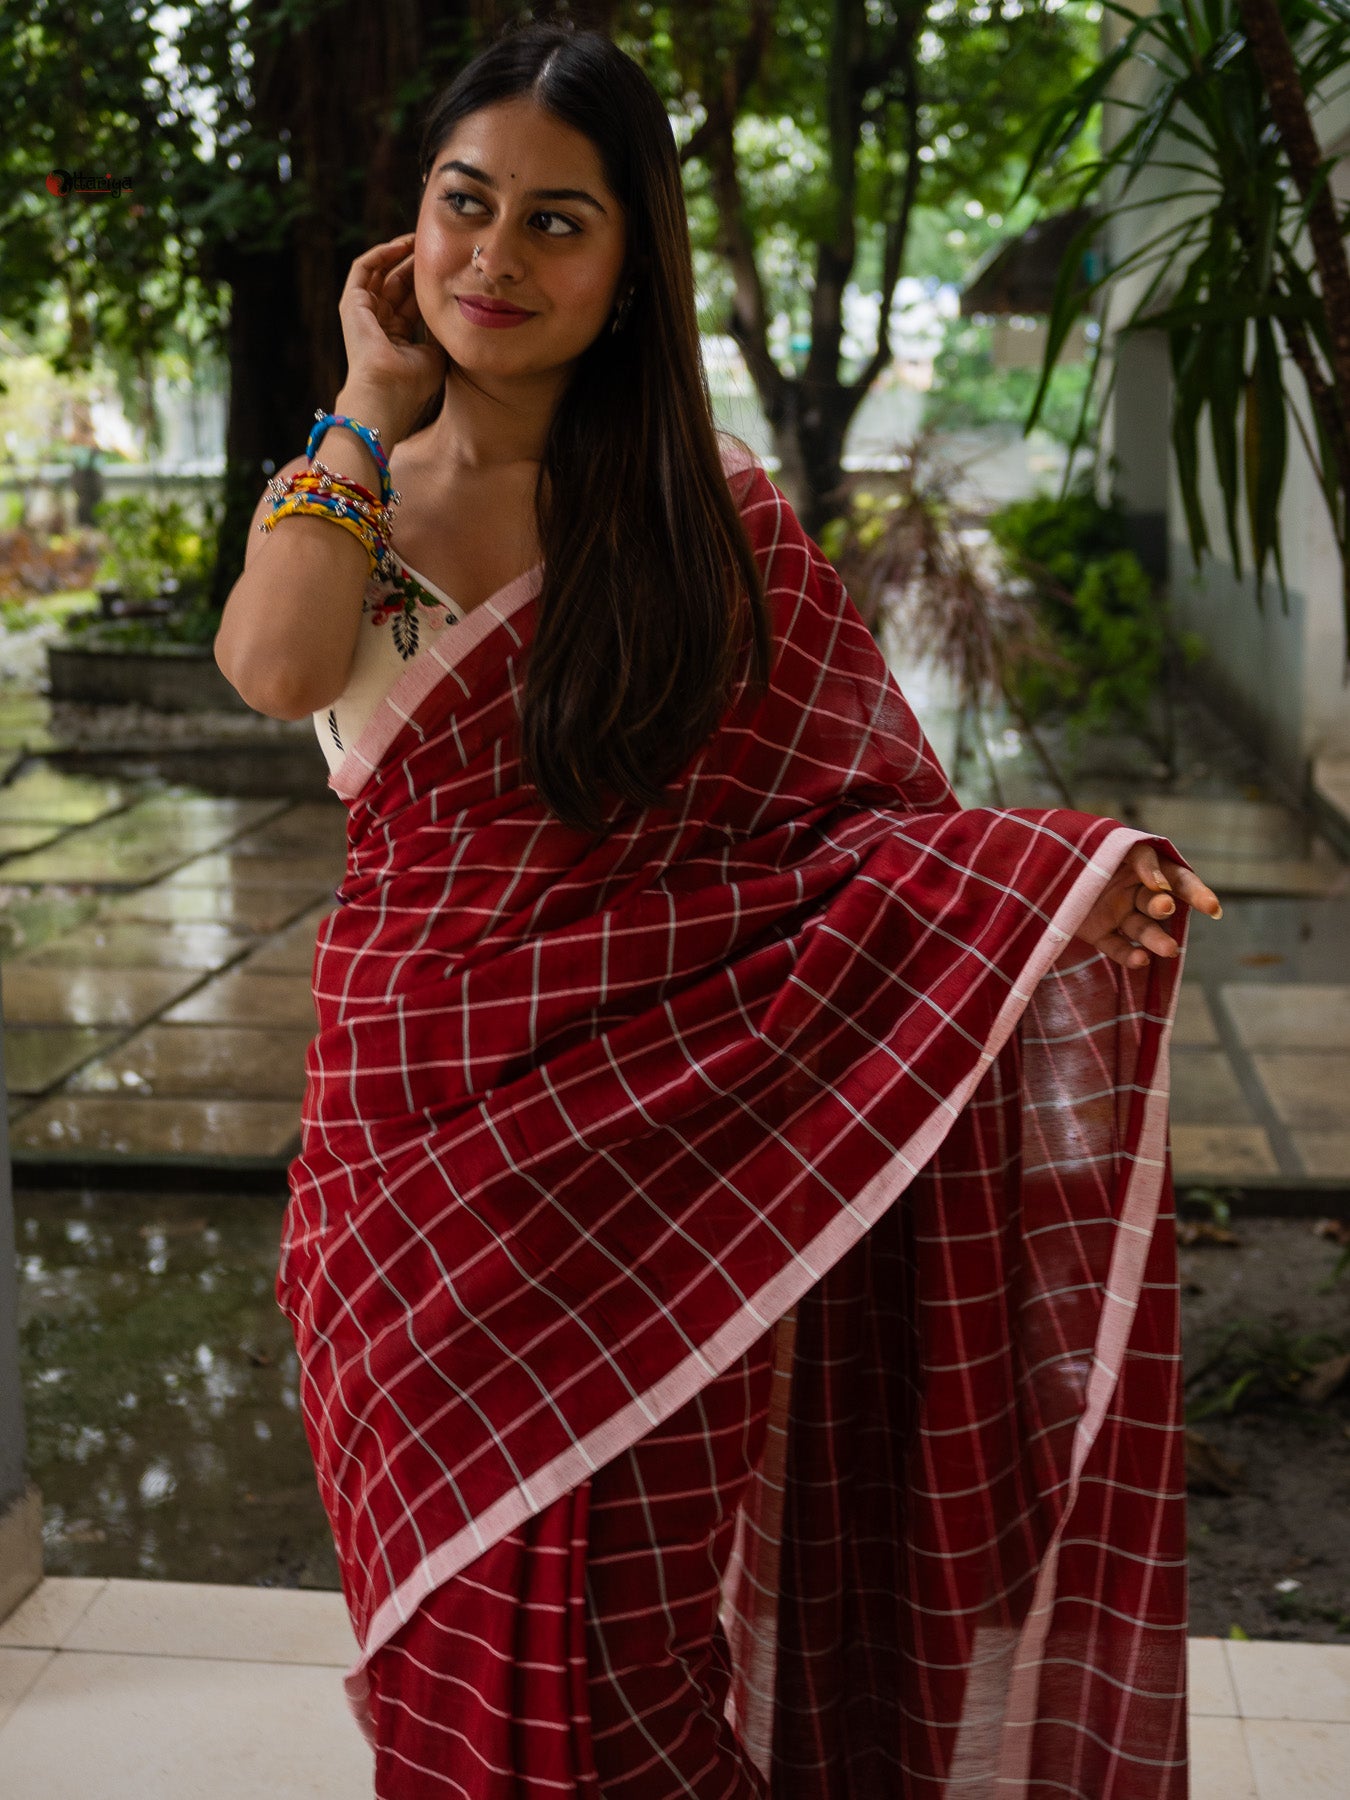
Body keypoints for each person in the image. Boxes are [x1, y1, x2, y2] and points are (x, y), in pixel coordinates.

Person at [215, 23, 1220, 1799]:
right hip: (412, 1186)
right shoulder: (353, 496)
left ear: (630, 266)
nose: (494, 260)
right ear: (408, 235)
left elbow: (848, 831)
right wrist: (366, 409)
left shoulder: (711, 521)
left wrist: (1048, 890)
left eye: (556, 222)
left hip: (658, 1182)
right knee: (460, 1645)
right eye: (463, 208)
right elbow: (277, 658)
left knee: (628, 1671)